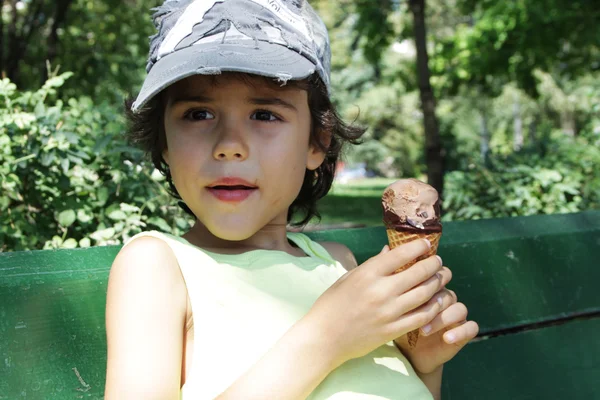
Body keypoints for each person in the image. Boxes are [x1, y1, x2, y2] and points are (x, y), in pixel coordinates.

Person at [104, 1, 479, 399]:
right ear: (163, 143)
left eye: (264, 115)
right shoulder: (158, 267)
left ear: (317, 142)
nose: (229, 146)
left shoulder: (339, 265)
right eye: (198, 114)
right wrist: (327, 336)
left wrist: (424, 364)